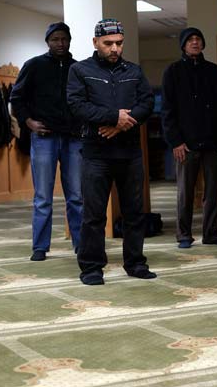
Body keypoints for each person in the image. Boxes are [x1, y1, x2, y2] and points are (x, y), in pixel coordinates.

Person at [67, 18, 156, 285]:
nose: (114, 48)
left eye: (118, 43)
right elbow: (76, 105)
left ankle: (135, 263)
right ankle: (92, 268)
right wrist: (111, 117)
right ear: (95, 42)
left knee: (134, 213)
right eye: (108, 43)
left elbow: (147, 102)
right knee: (93, 215)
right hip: (96, 155)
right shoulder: (80, 70)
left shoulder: (134, 71)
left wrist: (120, 126)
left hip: (129, 153)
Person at [10, 22, 82, 261]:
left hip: (73, 138)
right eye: (55, 39)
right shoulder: (34, 66)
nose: (60, 43)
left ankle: (81, 244)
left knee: (77, 196)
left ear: (69, 40)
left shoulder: (77, 68)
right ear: (47, 42)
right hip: (43, 138)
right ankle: (40, 247)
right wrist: (28, 122)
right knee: (43, 196)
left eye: (64, 39)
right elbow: (16, 98)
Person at [161, 27, 217, 249]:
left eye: (198, 39)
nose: (194, 43)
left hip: (213, 142)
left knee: (212, 192)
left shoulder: (215, 72)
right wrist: (175, 141)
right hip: (186, 144)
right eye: (190, 40)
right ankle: (184, 235)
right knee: (185, 192)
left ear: (203, 44)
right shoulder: (172, 72)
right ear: (183, 45)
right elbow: (167, 111)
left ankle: (211, 234)